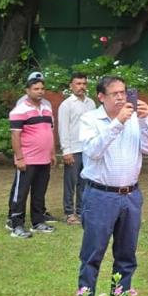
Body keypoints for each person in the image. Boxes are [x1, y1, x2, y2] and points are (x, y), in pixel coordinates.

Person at [77, 75, 148, 296]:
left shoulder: (134, 119)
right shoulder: (90, 119)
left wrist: (144, 121)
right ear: (101, 97)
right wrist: (117, 124)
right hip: (100, 196)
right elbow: (92, 151)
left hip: (130, 196)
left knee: (126, 258)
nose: (121, 97)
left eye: (124, 92)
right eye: (115, 94)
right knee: (92, 257)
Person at [7, 71, 56, 238]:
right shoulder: (19, 110)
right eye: (36, 89)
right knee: (21, 193)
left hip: (44, 159)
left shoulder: (47, 109)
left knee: (39, 191)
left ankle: (38, 221)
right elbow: (15, 135)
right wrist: (19, 157)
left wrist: (52, 153)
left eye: (42, 88)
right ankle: (16, 224)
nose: (40, 91)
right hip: (27, 159)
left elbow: (49, 131)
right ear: (27, 90)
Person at [57, 72, 95, 225]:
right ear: (71, 86)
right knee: (70, 183)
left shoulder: (91, 103)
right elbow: (63, 128)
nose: (81, 87)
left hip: (88, 149)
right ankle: (69, 212)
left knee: (84, 182)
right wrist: (66, 150)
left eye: (84, 84)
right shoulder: (66, 105)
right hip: (73, 149)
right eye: (78, 84)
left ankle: (81, 210)